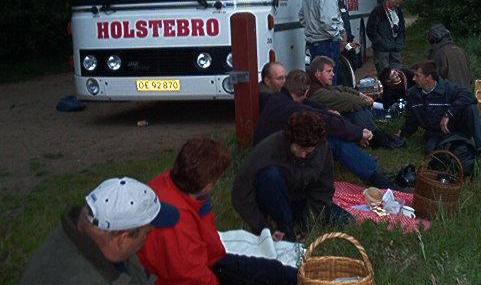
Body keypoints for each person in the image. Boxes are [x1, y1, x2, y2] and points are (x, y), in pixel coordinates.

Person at [138, 138, 297, 285]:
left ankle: (303, 277)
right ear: (206, 184)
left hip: (210, 260)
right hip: (188, 277)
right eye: (215, 180)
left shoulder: (175, 183)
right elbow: (191, 276)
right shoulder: (176, 222)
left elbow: (210, 246)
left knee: (273, 271)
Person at [20, 177, 180, 285]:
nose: (147, 238)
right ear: (122, 239)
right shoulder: (81, 278)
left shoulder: (87, 235)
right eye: (147, 233)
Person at [255, 69, 395, 190]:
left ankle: (374, 172)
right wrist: (358, 133)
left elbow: (319, 110)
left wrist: (348, 127)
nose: (332, 74)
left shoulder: (281, 99)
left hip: (273, 155)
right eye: (329, 71)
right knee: (332, 141)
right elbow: (325, 120)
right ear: (306, 90)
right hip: (278, 161)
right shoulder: (291, 107)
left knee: (334, 134)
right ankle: (379, 179)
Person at [233, 110, 342, 242]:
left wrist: (309, 227)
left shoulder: (322, 148)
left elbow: (324, 188)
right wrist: (263, 227)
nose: (303, 155)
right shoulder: (267, 149)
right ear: (290, 140)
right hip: (273, 199)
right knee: (270, 175)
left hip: (303, 200)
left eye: (308, 151)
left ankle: (300, 226)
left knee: (344, 220)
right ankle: (287, 230)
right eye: (299, 149)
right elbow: (240, 194)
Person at [307, 56, 405, 150]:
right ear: (318, 73)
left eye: (332, 71)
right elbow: (346, 99)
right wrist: (366, 101)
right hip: (329, 126)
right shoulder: (317, 92)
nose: (333, 74)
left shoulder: (320, 85)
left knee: (357, 108)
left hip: (334, 122)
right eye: (329, 71)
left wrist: (359, 94)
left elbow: (342, 89)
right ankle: (376, 137)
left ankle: (377, 136)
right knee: (356, 110)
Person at [397, 61, 481, 158]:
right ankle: (459, 147)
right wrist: (401, 133)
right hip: (436, 133)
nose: (413, 79)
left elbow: (470, 96)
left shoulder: (447, 88)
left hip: (457, 127)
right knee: (431, 151)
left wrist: (448, 114)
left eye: (417, 76)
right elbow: (412, 120)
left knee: (471, 108)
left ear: (429, 77)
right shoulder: (414, 95)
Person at [299, 0, 345, 84]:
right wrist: (337, 36)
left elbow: (302, 17)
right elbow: (328, 21)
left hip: (313, 43)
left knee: (317, 79)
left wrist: (313, 28)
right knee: (330, 79)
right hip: (327, 43)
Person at [366, 0, 406, 74]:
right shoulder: (378, 11)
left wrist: (400, 42)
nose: (398, 5)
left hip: (396, 49)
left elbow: (402, 28)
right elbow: (370, 30)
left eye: (399, 3)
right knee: (384, 74)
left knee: (398, 74)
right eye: (396, 3)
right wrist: (380, 43)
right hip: (382, 51)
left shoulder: (399, 11)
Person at [427, 23, 473, 89]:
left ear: (434, 40)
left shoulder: (439, 53)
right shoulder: (460, 50)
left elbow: (435, 79)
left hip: (450, 93)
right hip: (465, 92)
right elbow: (470, 77)